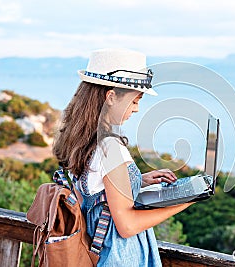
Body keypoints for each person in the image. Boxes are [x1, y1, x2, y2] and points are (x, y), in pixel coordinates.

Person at [52, 48, 194, 267]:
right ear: (111, 96)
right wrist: (186, 200)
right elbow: (126, 226)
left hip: (98, 253)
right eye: (135, 100)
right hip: (120, 257)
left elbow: (96, 187)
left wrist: (139, 180)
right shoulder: (111, 148)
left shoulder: (83, 140)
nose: (136, 109)